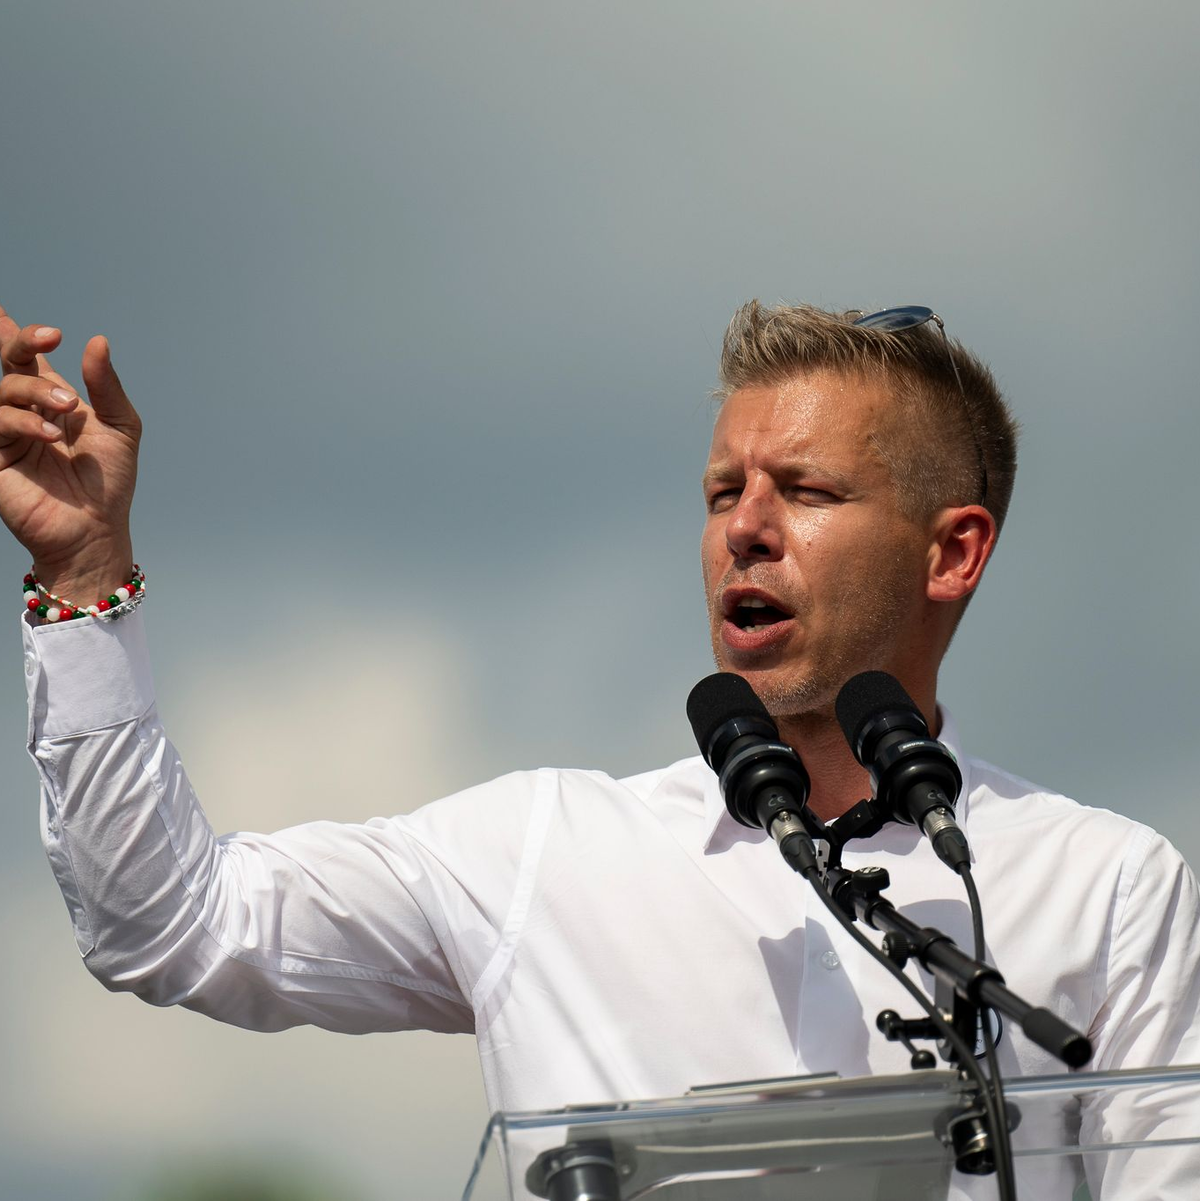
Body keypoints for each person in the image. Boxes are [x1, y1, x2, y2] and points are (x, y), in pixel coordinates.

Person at [2, 300, 1197, 1197]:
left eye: (808, 490)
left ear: (952, 553)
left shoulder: (1103, 885)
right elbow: (173, 927)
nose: (746, 529)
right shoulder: (547, 849)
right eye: (723, 488)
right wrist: (82, 578)